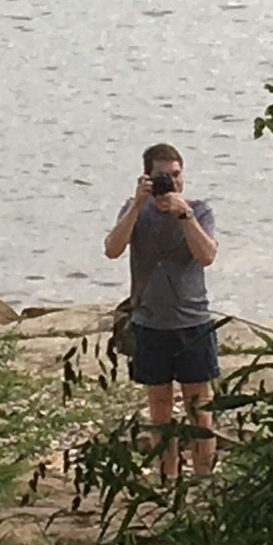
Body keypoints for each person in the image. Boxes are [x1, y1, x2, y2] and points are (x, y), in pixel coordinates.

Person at [102, 143, 220, 479]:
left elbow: (207, 256)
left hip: (193, 322)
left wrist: (185, 215)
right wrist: (137, 205)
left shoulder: (199, 210)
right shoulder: (134, 210)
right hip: (150, 323)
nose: (171, 182)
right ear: (147, 177)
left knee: (199, 407)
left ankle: (203, 477)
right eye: (163, 176)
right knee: (159, 409)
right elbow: (112, 250)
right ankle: (167, 476)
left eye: (176, 175)